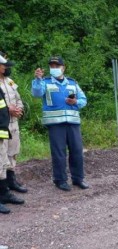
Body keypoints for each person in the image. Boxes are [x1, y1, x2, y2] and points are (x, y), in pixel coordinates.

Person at [31, 56, 89, 191]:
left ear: (63, 67)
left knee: (76, 152)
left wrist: (76, 102)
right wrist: (38, 79)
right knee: (59, 153)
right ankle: (60, 180)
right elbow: (37, 93)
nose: (54, 69)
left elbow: (83, 99)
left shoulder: (72, 83)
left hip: (73, 123)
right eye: (52, 66)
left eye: (57, 66)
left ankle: (78, 178)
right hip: (55, 124)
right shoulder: (44, 82)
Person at [0, 55, 25, 214]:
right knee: (1, 158)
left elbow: (18, 98)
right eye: (4, 65)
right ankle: (4, 190)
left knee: (12, 153)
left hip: (12, 123)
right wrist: (8, 110)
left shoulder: (9, 81)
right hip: (3, 122)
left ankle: (10, 182)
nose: (6, 67)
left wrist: (18, 109)